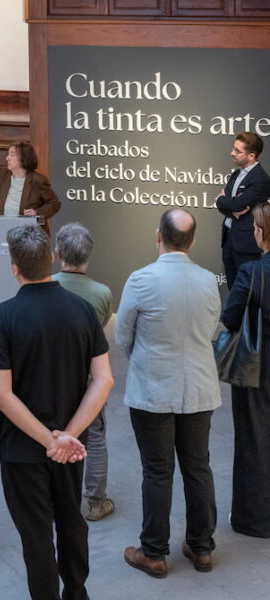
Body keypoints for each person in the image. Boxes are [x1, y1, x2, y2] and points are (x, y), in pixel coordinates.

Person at [0, 224, 114, 600]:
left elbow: (1, 394)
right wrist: (67, 437)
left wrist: (48, 439)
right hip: (72, 449)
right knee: (72, 522)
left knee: (36, 536)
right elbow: (103, 381)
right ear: (52, 258)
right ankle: (77, 592)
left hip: (22, 449)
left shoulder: (5, 317)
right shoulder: (82, 310)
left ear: (14, 268)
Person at [116, 208, 221, 578]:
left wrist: (145, 358)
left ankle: (155, 553)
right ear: (192, 241)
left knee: (157, 471)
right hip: (199, 387)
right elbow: (210, 330)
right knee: (198, 468)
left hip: (153, 389)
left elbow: (122, 336)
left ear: (157, 236)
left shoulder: (141, 279)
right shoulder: (209, 280)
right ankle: (202, 547)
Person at [52, 222, 114, 522]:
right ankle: (93, 499)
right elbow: (97, 335)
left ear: (58, 253)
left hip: (49, 376)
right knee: (96, 434)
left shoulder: (44, 286)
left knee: (51, 433)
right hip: (90, 379)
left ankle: (55, 495)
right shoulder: (102, 294)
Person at [222, 202, 270, 538]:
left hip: (258, 368)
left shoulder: (252, 272)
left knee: (254, 439)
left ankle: (254, 519)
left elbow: (230, 318)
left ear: (261, 233)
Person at [216, 131, 270, 288]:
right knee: (233, 289)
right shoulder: (236, 174)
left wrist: (229, 203)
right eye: (233, 148)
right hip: (228, 240)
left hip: (246, 245)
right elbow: (225, 205)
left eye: (238, 151)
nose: (232, 153)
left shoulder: (261, 180)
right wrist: (225, 202)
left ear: (251, 155)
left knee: (247, 290)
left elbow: (235, 205)